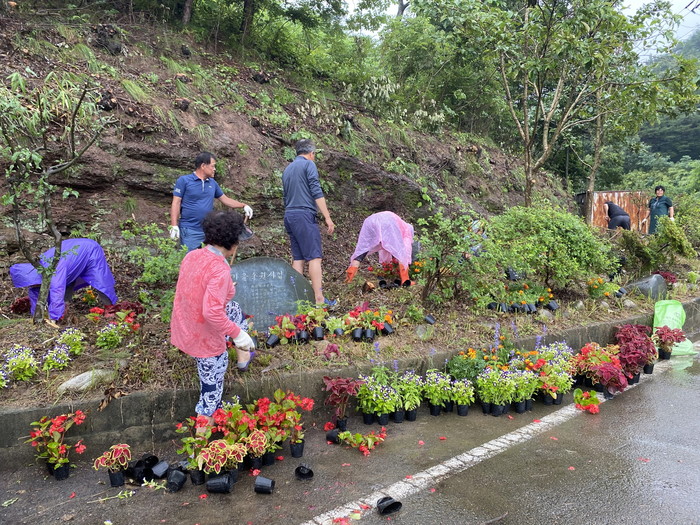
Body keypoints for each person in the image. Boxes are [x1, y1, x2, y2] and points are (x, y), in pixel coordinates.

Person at [170, 210, 256, 423]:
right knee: (211, 393)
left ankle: (243, 357)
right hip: (204, 339)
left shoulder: (192, 256)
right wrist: (238, 334)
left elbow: (194, 291)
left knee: (234, 310)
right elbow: (212, 312)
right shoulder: (219, 269)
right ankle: (201, 440)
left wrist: (225, 289)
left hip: (185, 327)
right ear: (232, 242)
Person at [282, 139, 335, 305]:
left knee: (298, 258)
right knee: (314, 257)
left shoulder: (288, 169)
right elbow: (316, 191)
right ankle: (319, 299)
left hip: (289, 215)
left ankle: (298, 300)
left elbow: (285, 196)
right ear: (311, 153)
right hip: (304, 215)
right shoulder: (308, 165)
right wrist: (327, 217)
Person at [9, 238, 117, 321]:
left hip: (89, 249)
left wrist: (55, 318)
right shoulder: (35, 273)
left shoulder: (53, 271)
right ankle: (65, 309)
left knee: (99, 279)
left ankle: (110, 308)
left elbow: (57, 291)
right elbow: (35, 293)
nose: (31, 286)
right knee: (66, 280)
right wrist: (36, 315)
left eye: (32, 284)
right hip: (69, 259)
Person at [169, 151, 254, 252]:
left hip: (208, 231)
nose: (214, 169)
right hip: (190, 230)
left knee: (207, 259)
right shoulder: (184, 181)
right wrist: (174, 225)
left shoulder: (212, 183)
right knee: (190, 258)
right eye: (212, 166)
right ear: (203, 166)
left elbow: (225, 199)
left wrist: (243, 205)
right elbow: (176, 202)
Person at [344, 211, 418, 285]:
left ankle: (349, 279)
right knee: (402, 253)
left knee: (362, 249)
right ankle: (405, 280)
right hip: (388, 220)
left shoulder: (400, 225)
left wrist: (388, 267)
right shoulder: (407, 231)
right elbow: (404, 253)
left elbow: (386, 248)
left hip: (369, 221)